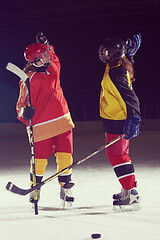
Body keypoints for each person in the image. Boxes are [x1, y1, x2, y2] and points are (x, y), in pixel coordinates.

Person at [16, 32, 75, 207]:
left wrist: (47, 44)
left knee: (65, 157)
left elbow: (54, 55)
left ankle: (65, 187)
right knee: (39, 161)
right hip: (40, 126)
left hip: (62, 121)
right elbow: (20, 104)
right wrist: (24, 112)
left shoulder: (54, 69)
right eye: (43, 55)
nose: (47, 57)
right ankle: (36, 188)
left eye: (46, 53)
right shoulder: (27, 79)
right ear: (34, 60)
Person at [98, 34, 142, 210]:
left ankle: (131, 192)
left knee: (117, 156)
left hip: (118, 120)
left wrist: (134, 118)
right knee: (118, 155)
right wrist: (128, 55)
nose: (103, 54)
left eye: (107, 52)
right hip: (114, 118)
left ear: (115, 54)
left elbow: (131, 97)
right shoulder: (116, 66)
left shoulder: (116, 72)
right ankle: (127, 188)